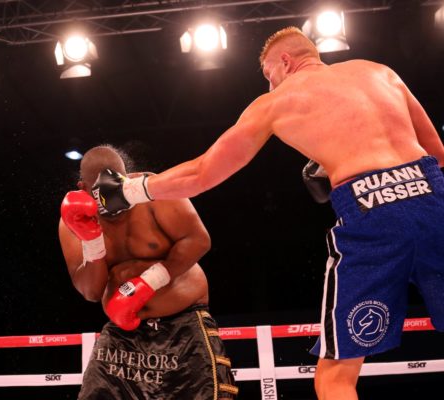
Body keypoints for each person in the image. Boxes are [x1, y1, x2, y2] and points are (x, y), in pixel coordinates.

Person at [93, 27, 444, 399]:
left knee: (335, 378)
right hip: (433, 198)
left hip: (371, 214)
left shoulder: (276, 102)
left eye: (268, 74)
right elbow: (436, 153)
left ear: (286, 61)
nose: (269, 84)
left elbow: (202, 173)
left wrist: (129, 191)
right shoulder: (379, 72)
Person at [58, 145, 238, 400]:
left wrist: (149, 282)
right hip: (123, 336)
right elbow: (91, 292)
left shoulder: (152, 190)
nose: (110, 198)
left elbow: (198, 239)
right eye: (100, 192)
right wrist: (91, 240)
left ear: (125, 178)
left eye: (115, 186)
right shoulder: (73, 221)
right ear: (83, 188)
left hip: (184, 326)